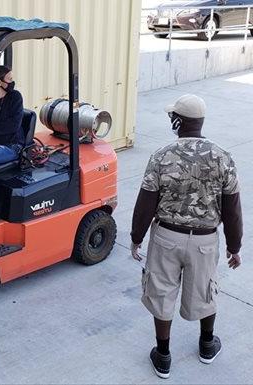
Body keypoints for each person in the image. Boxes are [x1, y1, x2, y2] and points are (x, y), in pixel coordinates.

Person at [130, 94, 243, 379]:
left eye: (172, 117)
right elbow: (232, 208)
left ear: (178, 121)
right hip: (205, 241)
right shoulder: (223, 156)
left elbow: (146, 202)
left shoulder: (161, 155)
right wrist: (234, 246)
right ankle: (207, 346)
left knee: (161, 293)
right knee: (205, 291)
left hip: (167, 237)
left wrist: (136, 237)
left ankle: (163, 356)